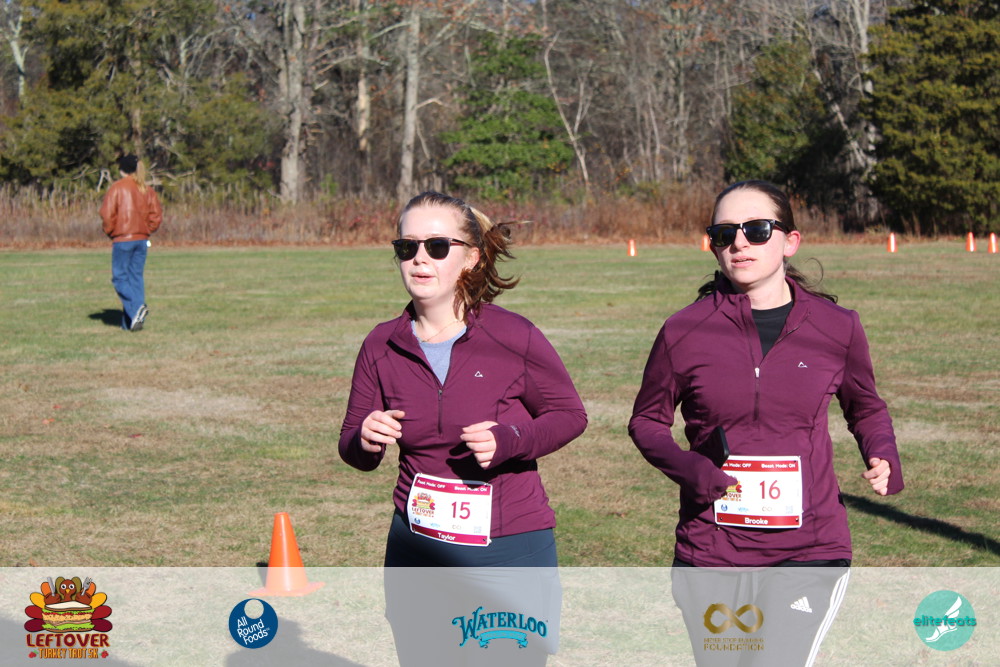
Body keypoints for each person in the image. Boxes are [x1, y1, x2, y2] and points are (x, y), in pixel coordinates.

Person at [628, 180, 903, 665]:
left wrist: (882, 452)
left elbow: (865, 406)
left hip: (809, 548)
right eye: (723, 233)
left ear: (790, 241)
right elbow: (647, 421)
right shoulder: (683, 330)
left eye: (756, 230)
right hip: (711, 548)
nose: (739, 243)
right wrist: (689, 468)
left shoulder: (837, 326)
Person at [338, 191, 586, 665]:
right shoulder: (380, 344)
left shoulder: (513, 335)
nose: (419, 259)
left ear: (470, 258)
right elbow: (352, 444)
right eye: (407, 247)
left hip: (507, 548)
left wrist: (511, 439)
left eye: (436, 246)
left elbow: (570, 414)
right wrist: (364, 439)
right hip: (416, 547)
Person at [100, 154, 163, 331]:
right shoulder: (146, 189)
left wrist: (111, 232)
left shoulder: (117, 188)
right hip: (142, 240)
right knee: (135, 277)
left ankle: (136, 309)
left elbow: (107, 214)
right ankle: (129, 323)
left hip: (123, 239)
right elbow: (156, 216)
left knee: (120, 278)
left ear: (122, 169)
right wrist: (146, 230)